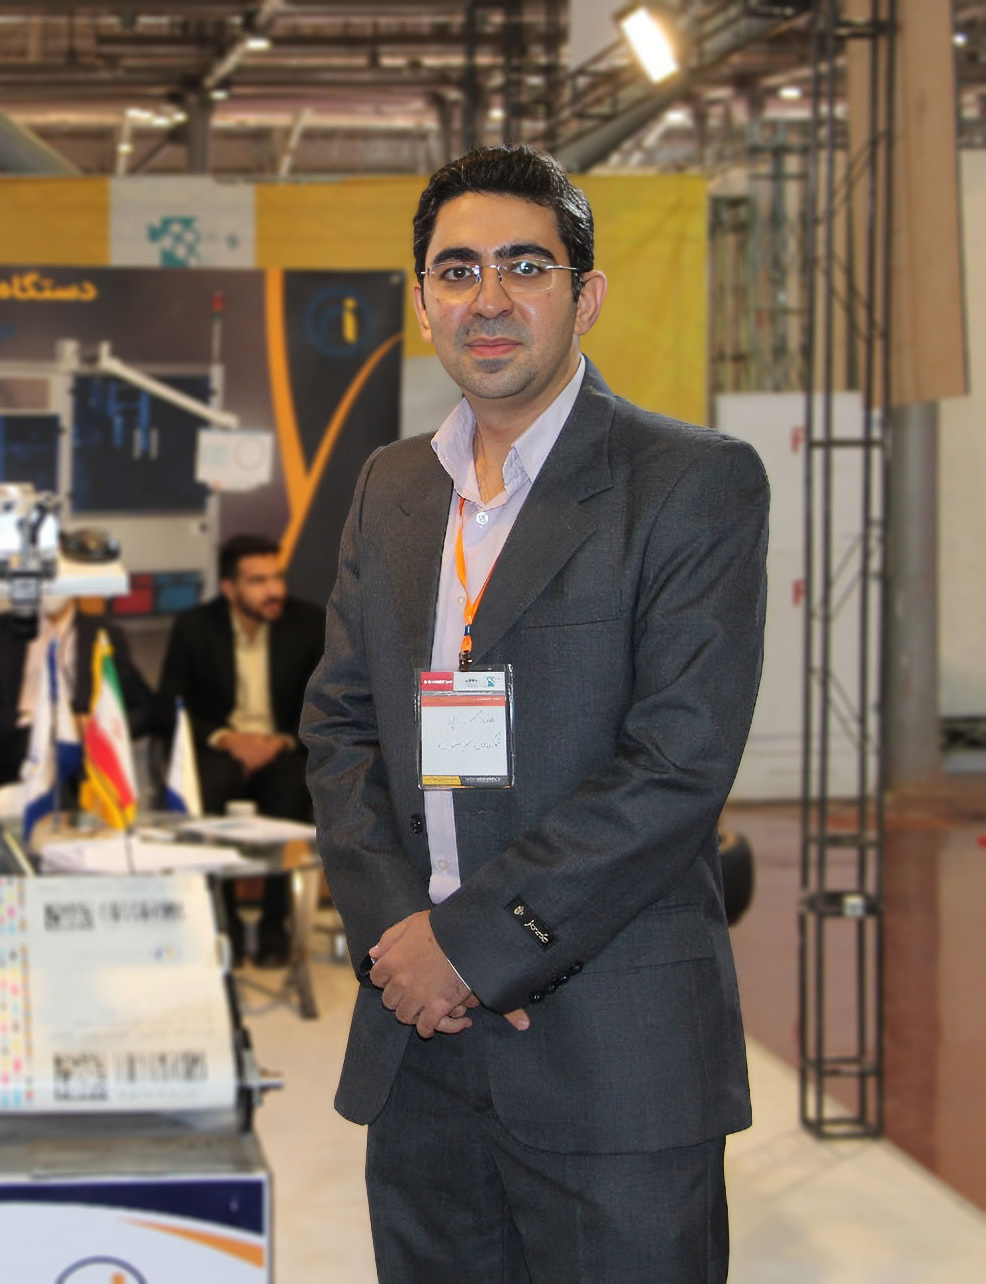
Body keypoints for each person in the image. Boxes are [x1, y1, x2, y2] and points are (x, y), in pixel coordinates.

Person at [300, 145, 767, 1282]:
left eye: (525, 265)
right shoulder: (392, 486)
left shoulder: (690, 484)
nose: (489, 298)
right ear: (423, 304)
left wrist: (475, 947)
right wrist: (404, 946)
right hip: (420, 1045)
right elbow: (341, 726)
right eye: (457, 271)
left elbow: (677, 764)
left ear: (584, 294)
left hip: (610, 1052)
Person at [158, 535, 325, 967]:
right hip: (221, 749)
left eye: (277, 578)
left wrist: (279, 741)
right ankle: (223, 921)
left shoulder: (307, 623)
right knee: (208, 788)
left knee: (292, 790)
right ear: (229, 589)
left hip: (282, 747)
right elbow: (168, 706)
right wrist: (228, 739)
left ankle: (274, 926)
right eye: (258, 581)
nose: (274, 590)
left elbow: (324, 704)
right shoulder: (195, 627)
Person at [0, 597, 153, 803]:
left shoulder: (104, 634)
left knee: (69, 763)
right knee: (31, 746)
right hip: (13, 748)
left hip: (78, 758)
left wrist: (98, 727)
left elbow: (145, 711)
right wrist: (28, 720)